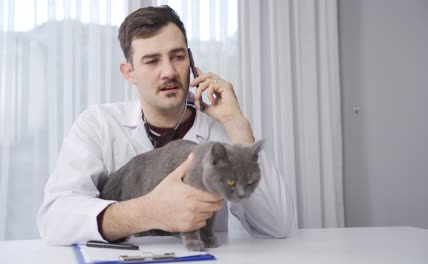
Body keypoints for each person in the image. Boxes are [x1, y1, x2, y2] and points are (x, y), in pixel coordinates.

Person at [37, 5, 296, 245]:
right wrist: (147, 212)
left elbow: (277, 225)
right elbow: (54, 219)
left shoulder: (221, 133)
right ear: (129, 73)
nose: (169, 72)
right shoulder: (98, 124)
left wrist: (236, 123)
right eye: (152, 61)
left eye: (177, 57)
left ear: (191, 63)